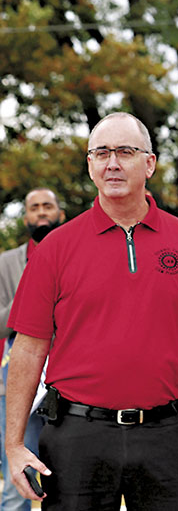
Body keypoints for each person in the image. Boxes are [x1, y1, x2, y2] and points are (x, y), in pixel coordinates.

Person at [5, 112, 178, 509]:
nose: (113, 163)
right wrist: (12, 447)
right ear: (90, 165)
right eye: (102, 153)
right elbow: (28, 349)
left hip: (170, 434)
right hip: (77, 437)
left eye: (126, 152)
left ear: (149, 163)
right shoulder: (55, 250)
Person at [0, 188, 65, 511]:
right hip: (16, 381)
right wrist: (32, 291)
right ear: (25, 217)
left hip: (67, 384)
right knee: (18, 477)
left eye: (48, 207)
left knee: (69, 479)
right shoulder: (6, 263)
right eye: (35, 207)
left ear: (60, 214)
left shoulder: (73, 257)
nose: (42, 213)